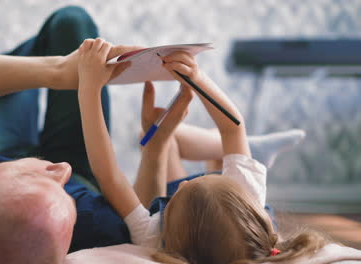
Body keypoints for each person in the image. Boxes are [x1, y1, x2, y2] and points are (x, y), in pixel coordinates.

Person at [0, 5, 305, 264]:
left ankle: (5, 58)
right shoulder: (106, 228)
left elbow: (108, 173)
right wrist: (172, 119)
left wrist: (80, 83)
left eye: (169, 198)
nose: (66, 170)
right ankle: (8, 58)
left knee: (21, 77)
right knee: (70, 23)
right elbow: (232, 129)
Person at [76, 38, 327, 264]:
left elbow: (108, 175)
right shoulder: (248, 195)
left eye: (177, 197)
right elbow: (233, 128)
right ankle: (251, 151)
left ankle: (251, 150)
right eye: (207, 176)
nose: (182, 185)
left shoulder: (153, 236)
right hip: (239, 213)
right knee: (164, 140)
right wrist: (196, 77)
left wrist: (88, 88)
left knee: (163, 141)